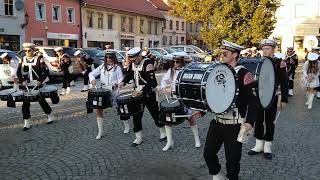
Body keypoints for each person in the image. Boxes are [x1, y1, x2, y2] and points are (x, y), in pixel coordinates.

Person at [203, 40, 257, 180]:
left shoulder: (244, 74)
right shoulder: (218, 70)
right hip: (217, 122)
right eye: (222, 52)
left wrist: (249, 122)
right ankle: (217, 175)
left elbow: (254, 101)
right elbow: (211, 95)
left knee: (232, 161)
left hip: (234, 124)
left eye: (225, 53)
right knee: (208, 153)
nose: (222, 55)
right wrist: (201, 111)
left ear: (234, 55)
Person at [248, 39, 288, 160]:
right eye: (263, 48)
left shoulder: (279, 62)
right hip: (259, 96)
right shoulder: (259, 61)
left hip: (272, 96)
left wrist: (284, 99)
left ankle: (268, 147)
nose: (265, 51)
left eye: (268, 48)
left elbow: (284, 82)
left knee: (270, 122)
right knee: (258, 120)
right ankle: (259, 145)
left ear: (273, 49)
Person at [118, 47, 166, 146]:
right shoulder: (133, 63)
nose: (134, 62)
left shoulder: (148, 63)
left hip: (149, 93)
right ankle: (138, 137)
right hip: (137, 92)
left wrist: (142, 91)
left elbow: (152, 82)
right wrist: (123, 82)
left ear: (139, 56)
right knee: (136, 115)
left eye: (135, 60)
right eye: (132, 60)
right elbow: (129, 74)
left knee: (155, 113)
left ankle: (163, 132)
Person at [160, 55, 202, 151]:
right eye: (174, 62)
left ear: (182, 62)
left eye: (177, 62)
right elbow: (163, 80)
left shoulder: (187, 71)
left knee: (190, 117)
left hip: (184, 98)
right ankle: (169, 142)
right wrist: (164, 88)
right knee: (168, 119)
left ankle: (197, 139)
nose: (175, 64)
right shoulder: (171, 71)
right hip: (173, 97)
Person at [89, 52, 130, 139]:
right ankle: (100, 131)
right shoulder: (102, 66)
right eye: (107, 57)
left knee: (119, 109)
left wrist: (119, 85)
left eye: (110, 57)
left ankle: (126, 124)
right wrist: (92, 80)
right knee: (98, 109)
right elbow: (91, 74)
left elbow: (120, 80)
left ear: (113, 58)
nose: (108, 59)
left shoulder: (117, 68)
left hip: (113, 91)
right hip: (103, 91)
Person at [16, 43, 54, 131]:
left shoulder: (39, 59)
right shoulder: (22, 60)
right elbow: (18, 72)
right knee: (25, 103)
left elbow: (46, 71)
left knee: (41, 101)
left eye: (29, 50)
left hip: (37, 83)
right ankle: (27, 122)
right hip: (26, 85)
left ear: (33, 50)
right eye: (25, 50)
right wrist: (22, 81)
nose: (27, 52)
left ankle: (49, 114)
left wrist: (40, 80)